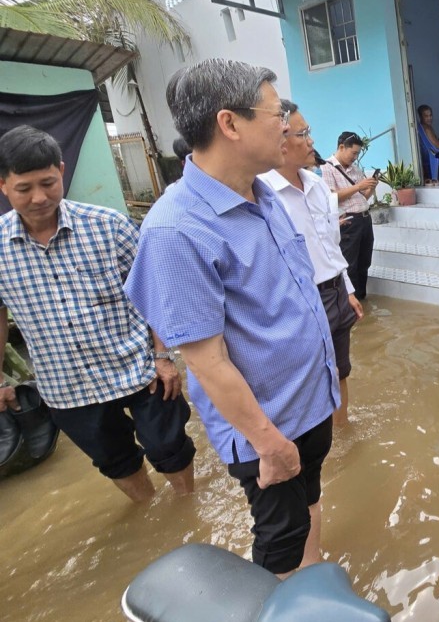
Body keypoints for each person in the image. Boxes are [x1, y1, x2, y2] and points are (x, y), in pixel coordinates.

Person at [124, 59, 340, 576]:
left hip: (309, 402)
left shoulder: (261, 193)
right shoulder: (177, 230)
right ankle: (281, 598)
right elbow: (207, 361)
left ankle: (311, 588)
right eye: (274, 114)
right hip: (269, 427)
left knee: (307, 508)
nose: (286, 126)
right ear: (230, 124)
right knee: (280, 538)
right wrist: (268, 442)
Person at [0, 125, 195, 502]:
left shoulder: (109, 226)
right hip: (66, 385)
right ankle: (150, 511)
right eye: (24, 189)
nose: (40, 197)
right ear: (3, 185)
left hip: (138, 368)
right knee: (114, 460)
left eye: (49, 183)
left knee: (169, 446)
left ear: (61, 170)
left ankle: (188, 506)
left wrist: (162, 355)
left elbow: (153, 289)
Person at [260, 100, 363, 427]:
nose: (311, 141)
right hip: (299, 301)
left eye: (309, 132)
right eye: (303, 134)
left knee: (340, 371)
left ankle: (343, 436)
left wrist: (347, 289)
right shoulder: (262, 196)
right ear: (279, 140)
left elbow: (330, 246)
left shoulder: (318, 186)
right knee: (307, 381)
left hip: (334, 292)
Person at [321, 132, 376, 300]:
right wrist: (359, 186)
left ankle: (361, 299)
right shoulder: (326, 168)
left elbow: (362, 198)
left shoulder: (355, 170)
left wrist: (371, 187)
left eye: (358, 153)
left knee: (364, 262)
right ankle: (350, 302)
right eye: (353, 153)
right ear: (341, 147)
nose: (355, 157)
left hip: (364, 219)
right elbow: (332, 198)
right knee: (350, 264)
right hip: (348, 222)